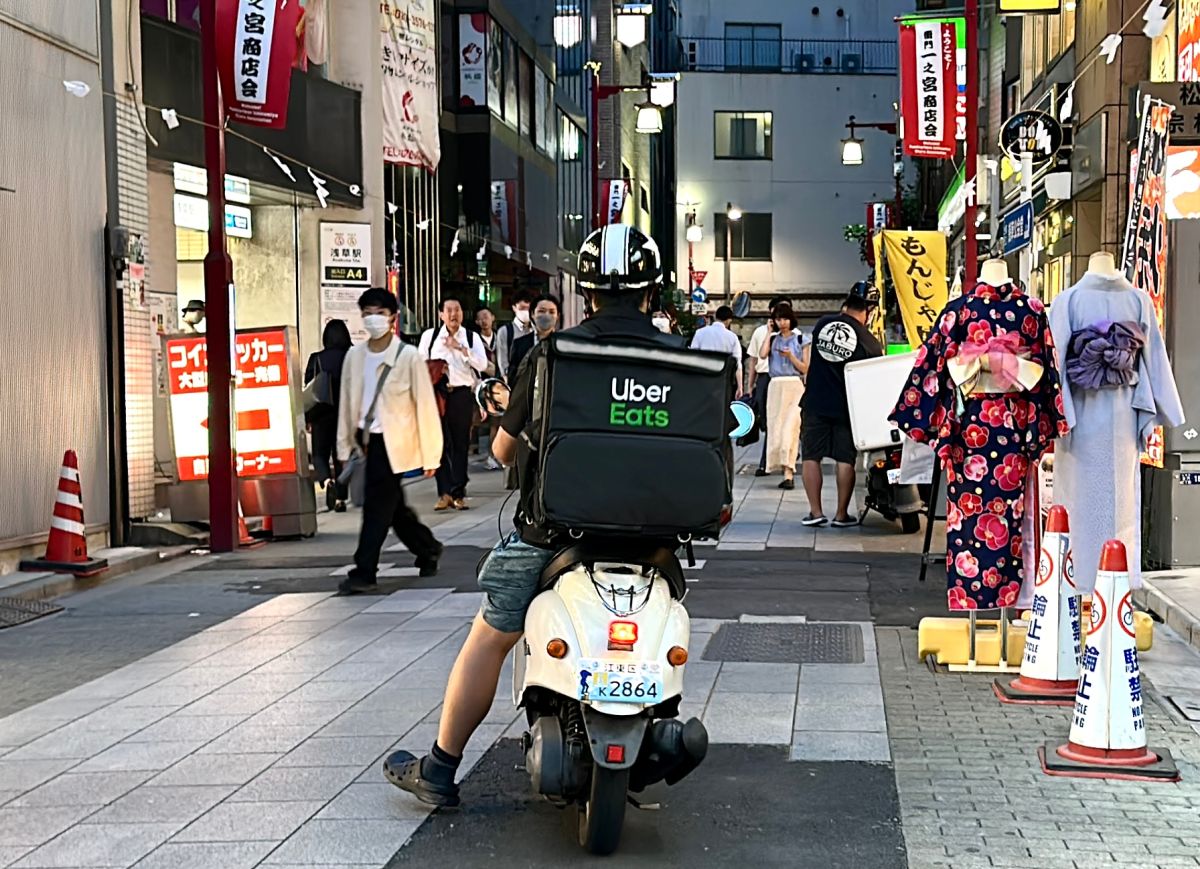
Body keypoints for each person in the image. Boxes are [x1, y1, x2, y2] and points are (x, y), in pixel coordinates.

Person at [382, 224, 690, 808]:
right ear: (652, 292)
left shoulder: (552, 355)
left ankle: (441, 768)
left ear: (587, 294)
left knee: (490, 636)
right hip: (654, 545)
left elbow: (502, 451)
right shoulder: (681, 361)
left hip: (554, 537)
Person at [336, 288, 444, 595]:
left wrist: (431, 454)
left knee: (376, 506)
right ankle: (427, 547)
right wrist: (344, 446)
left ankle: (364, 570)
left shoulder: (407, 356)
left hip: (394, 443)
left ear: (393, 318)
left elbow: (424, 405)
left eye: (380, 313)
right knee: (392, 507)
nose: (374, 319)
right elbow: (346, 403)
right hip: (366, 441)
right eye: (368, 313)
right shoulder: (354, 357)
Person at [800, 282, 884, 527]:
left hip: (815, 402)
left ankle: (815, 512)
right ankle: (841, 514)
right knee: (845, 459)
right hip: (847, 409)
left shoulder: (823, 324)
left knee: (811, 456)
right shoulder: (870, 343)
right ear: (870, 310)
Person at [420, 298, 489, 511]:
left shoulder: (471, 337)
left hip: (461, 394)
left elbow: (482, 365)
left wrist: (461, 349)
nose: (453, 314)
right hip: (437, 395)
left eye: (457, 310)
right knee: (439, 444)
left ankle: (458, 492)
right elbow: (419, 365)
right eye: (448, 310)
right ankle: (444, 492)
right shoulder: (430, 336)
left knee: (460, 444)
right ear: (441, 314)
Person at [305, 319, 353, 512]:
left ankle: (326, 480)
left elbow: (309, 389)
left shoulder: (316, 359)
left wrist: (308, 418)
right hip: (345, 414)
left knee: (319, 454)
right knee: (341, 456)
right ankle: (341, 498)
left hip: (321, 414)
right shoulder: (352, 357)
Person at [759, 305, 808, 489]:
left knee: (790, 428)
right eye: (778, 319)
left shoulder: (801, 339)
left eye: (785, 319)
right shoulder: (773, 339)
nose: (782, 323)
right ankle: (783, 469)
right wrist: (769, 332)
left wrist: (791, 357)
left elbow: (805, 368)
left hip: (794, 386)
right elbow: (762, 355)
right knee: (776, 429)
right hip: (776, 387)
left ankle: (789, 472)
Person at [746, 297, 791, 475]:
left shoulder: (794, 334)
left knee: (785, 422)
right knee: (768, 421)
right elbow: (754, 359)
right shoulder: (760, 332)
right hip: (765, 378)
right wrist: (750, 385)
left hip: (787, 379)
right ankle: (772, 458)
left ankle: (770, 462)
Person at [507, 293, 560, 382]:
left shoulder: (562, 343)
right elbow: (513, 376)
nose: (546, 315)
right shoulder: (519, 343)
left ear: (557, 316)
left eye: (551, 312)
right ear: (532, 314)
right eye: (541, 311)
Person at [690, 304, 743, 392]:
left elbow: (692, 357)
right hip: (722, 380)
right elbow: (737, 363)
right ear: (729, 320)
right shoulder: (732, 337)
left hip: (702, 378)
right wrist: (740, 387)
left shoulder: (700, 332)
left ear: (715, 316)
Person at [474, 307, 502, 470]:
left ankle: (493, 455)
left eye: (486, 316)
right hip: (480, 385)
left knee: (496, 423)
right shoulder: (474, 340)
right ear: (477, 322)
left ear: (493, 318)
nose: (484, 321)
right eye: (480, 318)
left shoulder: (500, 338)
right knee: (474, 421)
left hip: (497, 386)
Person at [495, 289, 534, 381]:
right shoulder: (505, 331)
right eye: (522, 308)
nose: (526, 311)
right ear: (514, 308)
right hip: (514, 379)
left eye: (528, 308)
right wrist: (508, 380)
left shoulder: (536, 329)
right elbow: (503, 362)